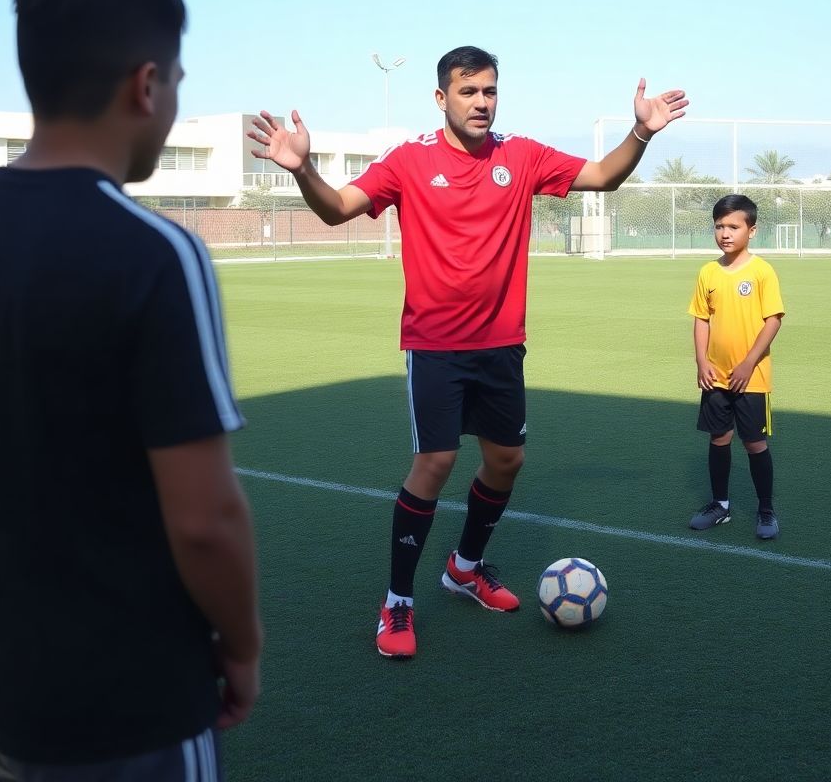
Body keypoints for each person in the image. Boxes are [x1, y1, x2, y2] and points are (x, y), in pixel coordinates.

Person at [248, 45, 686, 658]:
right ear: (441, 98)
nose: (481, 102)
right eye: (468, 91)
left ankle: (463, 568)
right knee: (435, 463)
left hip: (502, 345)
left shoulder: (522, 155)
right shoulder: (408, 160)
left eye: (490, 91)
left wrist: (640, 131)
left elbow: (601, 176)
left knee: (507, 461)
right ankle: (398, 603)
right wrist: (302, 170)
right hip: (434, 346)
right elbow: (338, 209)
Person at [0, 0, 262, 779]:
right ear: (146, 86)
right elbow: (205, 519)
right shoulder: (154, 254)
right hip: (132, 698)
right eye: (178, 82)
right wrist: (243, 646)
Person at [686, 194, 784, 539]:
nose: (725, 233)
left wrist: (747, 364)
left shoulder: (761, 271)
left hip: (751, 377)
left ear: (751, 230)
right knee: (719, 438)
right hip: (716, 376)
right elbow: (701, 318)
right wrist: (702, 361)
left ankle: (766, 509)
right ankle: (720, 506)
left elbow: (773, 320)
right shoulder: (708, 272)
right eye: (719, 226)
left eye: (733, 226)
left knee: (754, 442)